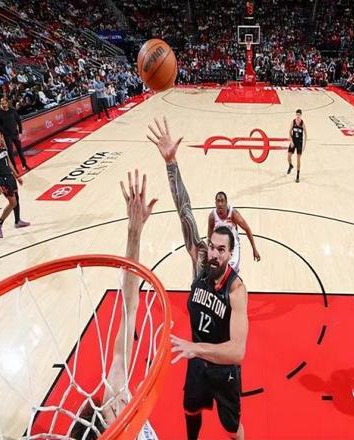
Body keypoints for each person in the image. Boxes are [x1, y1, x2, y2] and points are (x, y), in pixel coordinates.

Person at [147, 117, 248, 440]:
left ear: (230, 254)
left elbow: (237, 352)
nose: (214, 253)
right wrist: (171, 164)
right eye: (212, 247)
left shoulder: (236, 289)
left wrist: (196, 348)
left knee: (232, 429)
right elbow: (185, 210)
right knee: (190, 409)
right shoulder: (200, 263)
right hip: (197, 360)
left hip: (223, 368)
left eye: (221, 249)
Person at [70, 170, 157, 440]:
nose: (118, 406)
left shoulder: (116, 397)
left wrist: (134, 233)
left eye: (109, 408)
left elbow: (129, 306)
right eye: (110, 415)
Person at [0, 125, 30, 239]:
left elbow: (9, 162)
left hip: (9, 176)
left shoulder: (3, 145)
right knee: (13, 202)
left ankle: (17, 221)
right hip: (1, 179)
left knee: (17, 198)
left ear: (1, 134)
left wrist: (17, 176)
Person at [208, 191, 260, 272]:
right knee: (218, 271)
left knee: (231, 271)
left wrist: (254, 249)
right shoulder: (212, 216)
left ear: (226, 202)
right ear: (215, 203)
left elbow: (247, 229)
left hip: (233, 245)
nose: (220, 204)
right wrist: (209, 252)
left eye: (222, 201)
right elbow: (209, 236)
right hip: (219, 246)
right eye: (218, 201)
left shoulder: (233, 214)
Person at [0, 97, 30, 171]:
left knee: (20, 150)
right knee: (10, 153)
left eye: (5, 103)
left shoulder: (12, 110)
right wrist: (1, 137)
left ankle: (24, 164)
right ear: (0, 104)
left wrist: (20, 132)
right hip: (7, 136)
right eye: (2, 104)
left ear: (7, 103)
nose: (4, 105)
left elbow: (18, 121)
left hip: (15, 133)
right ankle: (14, 168)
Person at [287, 109, 307, 183]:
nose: (298, 116)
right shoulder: (293, 122)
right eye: (297, 115)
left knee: (298, 159)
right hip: (293, 141)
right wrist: (291, 141)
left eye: (299, 115)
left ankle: (297, 175)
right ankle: (290, 165)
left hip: (299, 142)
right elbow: (289, 132)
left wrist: (304, 145)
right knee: (289, 156)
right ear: (296, 115)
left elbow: (306, 134)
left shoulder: (302, 123)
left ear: (301, 115)